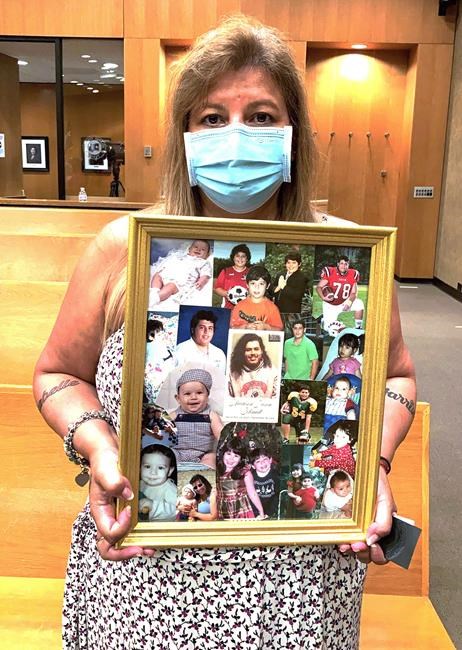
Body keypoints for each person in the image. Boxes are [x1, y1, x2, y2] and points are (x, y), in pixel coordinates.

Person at [33, 15, 416, 649]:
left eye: (261, 116)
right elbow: (58, 374)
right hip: (146, 577)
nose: (236, 135)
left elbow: (395, 376)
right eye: (212, 118)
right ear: (185, 136)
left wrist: (371, 459)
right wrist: (98, 447)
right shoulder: (124, 249)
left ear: (294, 133)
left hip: (299, 588)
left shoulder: (350, 258)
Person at [169, 368, 223, 468]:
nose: (193, 397)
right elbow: (162, 432)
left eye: (199, 393)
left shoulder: (211, 415)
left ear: (207, 396)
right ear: (178, 398)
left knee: (212, 457)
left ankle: (204, 473)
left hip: (203, 454)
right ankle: (175, 473)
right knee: (167, 455)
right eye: (187, 394)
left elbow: (221, 435)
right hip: (178, 452)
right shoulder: (174, 415)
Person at [150, 239, 212, 306]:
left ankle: (155, 298)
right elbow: (170, 263)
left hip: (179, 282)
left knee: (170, 286)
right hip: (167, 274)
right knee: (157, 275)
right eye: (196, 247)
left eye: (202, 249)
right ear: (189, 249)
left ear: (207, 255)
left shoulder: (203, 263)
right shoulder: (180, 256)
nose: (198, 250)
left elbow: (206, 274)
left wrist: (202, 280)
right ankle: (154, 290)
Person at [216, 436, 266, 519]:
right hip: (221, 511)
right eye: (228, 454)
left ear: (241, 459)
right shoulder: (217, 471)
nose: (231, 459)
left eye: (236, 456)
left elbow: (252, 493)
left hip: (241, 512)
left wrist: (261, 512)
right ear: (223, 454)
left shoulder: (245, 473)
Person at [316, 254, 364, 331]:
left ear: (348, 265)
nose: (343, 266)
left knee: (359, 303)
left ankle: (358, 327)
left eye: (346, 264)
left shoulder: (353, 274)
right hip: (330, 305)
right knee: (332, 330)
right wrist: (323, 297)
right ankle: (323, 320)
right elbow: (319, 287)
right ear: (338, 264)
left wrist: (349, 303)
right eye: (341, 263)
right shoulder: (331, 272)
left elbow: (353, 292)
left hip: (344, 302)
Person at [230, 264, 283, 330]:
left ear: (267, 286)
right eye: (253, 283)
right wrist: (245, 327)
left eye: (261, 284)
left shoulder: (272, 308)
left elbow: (279, 329)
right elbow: (233, 327)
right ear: (247, 285)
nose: (257, 287)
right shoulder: (239, 306)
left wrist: (266, 327)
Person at [228, 332, 279, 398]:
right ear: (242, 352)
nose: (253, 353)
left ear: (262, 351)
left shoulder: (273, 372)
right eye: (248, 350)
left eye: (256, 349)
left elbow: (275, 399)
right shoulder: (232, 373)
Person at [138, 444, 177, 521]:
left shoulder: (170, 489)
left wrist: (154, 507)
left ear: (170, 471)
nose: (153, 473)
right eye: (147, 466)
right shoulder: (139, 484)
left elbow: (176, 511)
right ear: (139, 467)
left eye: (160, 468)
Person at [214, 243, 251, 308]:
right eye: (237, 256)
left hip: (247, 308)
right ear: (233, 258)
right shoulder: (225, 271)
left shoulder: (251, 272)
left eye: (243, 256)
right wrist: (228, 294)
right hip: (228, 308)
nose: (240, 258)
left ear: (247, 258)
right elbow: (217, 288)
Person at [250, 446, 279, 518]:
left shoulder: (276, 475)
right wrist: (257, 513)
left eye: (265, 459)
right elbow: (251, 497)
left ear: (270, 460)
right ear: (253, 466)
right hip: (256, 511)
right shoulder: (251, 477)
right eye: (258, 461)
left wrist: (269, 513)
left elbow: (277, 496)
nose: (262, 463)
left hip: (272, 510)